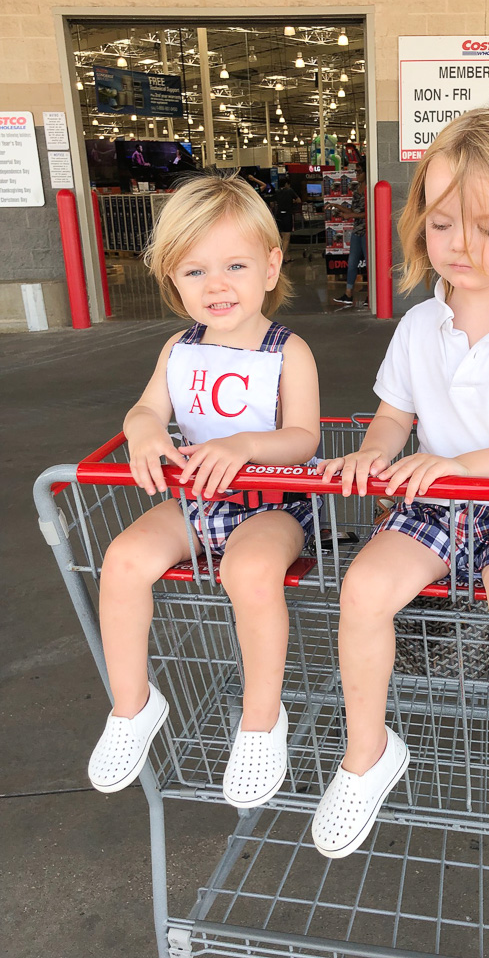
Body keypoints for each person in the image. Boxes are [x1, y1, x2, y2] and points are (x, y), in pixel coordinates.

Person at [313, 105, 489, 918]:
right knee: (362, 590)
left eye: (486, 226)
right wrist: (374, 449)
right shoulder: (417, 326)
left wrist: (459, 464)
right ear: (417, 224)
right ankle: (368, 754)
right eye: (441, 223)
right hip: (439, 498)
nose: (460, 245)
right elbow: (396, 417)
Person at [87, 172, 320, 809]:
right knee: (123, 559)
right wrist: (141, 430)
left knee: (249, 572)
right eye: (194, 272)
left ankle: (260, 718)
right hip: (195, 500)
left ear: (271, 267)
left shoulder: (286, 351)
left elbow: (302, 438)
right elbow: (145, 409)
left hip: (272, 504)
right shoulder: (178, 350)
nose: (216, 285)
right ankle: (133, 704)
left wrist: (246, 444)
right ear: (172, 280)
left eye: (235, 265)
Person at [333, 159, 368, 307]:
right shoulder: (357, 190)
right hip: (357, 231)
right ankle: (348, 294)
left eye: (359, 172)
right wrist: (336, 206)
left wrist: (350, 216)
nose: (357, 175)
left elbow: (369, 213)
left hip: (367, 232)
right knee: (352, 263)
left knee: (369, 265)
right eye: (356, 171)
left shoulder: (368, 190)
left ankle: (370, 295)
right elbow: (353, 212)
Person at [273, 175, 302, 263]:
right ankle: (280, 257)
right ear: (286, 184)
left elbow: (274, 203)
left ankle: (286, 257)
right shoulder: (290, 191)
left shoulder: (277, 192)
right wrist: (292, 201)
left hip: (278, 215)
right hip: (287, 215)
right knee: (287, 237)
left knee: (282, 238)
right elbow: (299, 200)